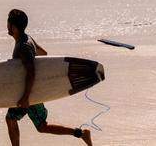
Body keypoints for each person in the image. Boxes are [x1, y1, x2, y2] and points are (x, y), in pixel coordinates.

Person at [5, 9, 93, 145]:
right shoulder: (27, 38)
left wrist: (26, 96)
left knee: (37, 125)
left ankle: (82, 134)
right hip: (29, 90)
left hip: (29, 93)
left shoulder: (23, 46)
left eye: (8, 22)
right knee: (18, 120)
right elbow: (43, 53)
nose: (7, 25)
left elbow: (31, 72)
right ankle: (81, 133)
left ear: (13, 26)